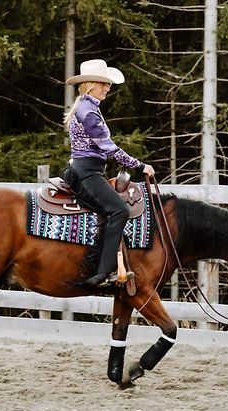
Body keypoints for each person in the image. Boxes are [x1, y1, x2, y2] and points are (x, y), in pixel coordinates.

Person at [63, 59, 155, 287]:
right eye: (104, 84)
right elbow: (109, 148)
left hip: (85, 170)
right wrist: (141, 166)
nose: (108, 88)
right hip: (88, 173)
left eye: (108, 84)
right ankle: (103, 273)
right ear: (91, 84)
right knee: (119, 211)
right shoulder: (90, 113)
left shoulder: (85, 107)